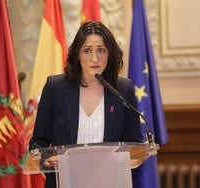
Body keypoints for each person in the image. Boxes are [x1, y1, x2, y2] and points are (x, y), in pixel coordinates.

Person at [29, 20, 144, 188]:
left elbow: (135, 146)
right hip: (65, 181)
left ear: (110, 54)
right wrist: (46, 160)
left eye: (101, 50)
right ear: (77, 54)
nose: (94, 58)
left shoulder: (123, 89)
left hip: (110, 182)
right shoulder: (55, 88)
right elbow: (38, 142)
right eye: (87, 50)